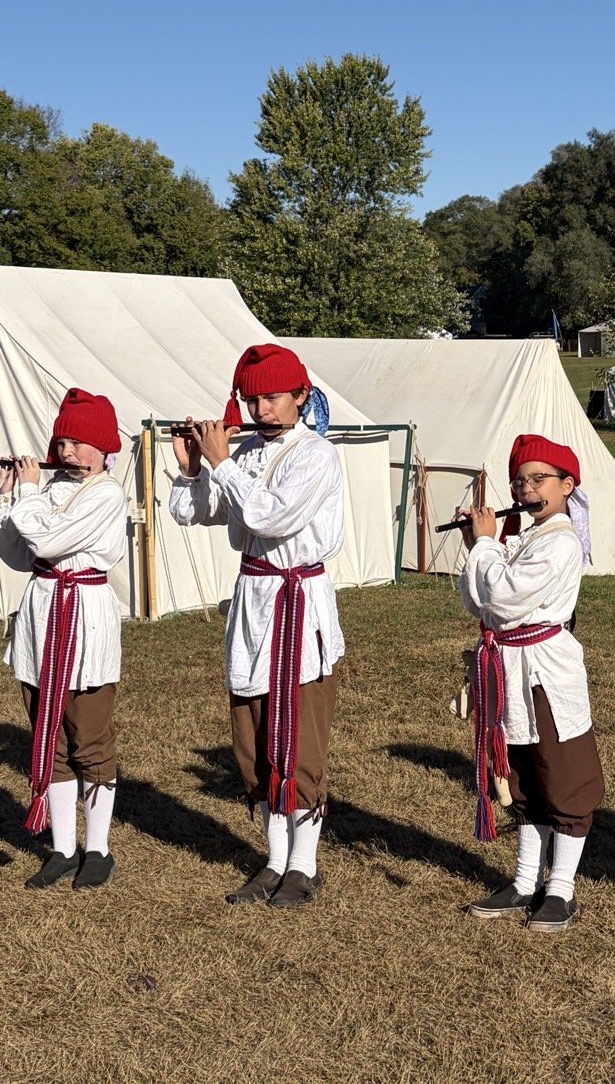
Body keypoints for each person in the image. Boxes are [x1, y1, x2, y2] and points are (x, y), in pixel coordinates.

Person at [169, 344, 344, 909]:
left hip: (297, 602)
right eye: (252, 400)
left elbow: (271, 515)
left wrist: (221, 464)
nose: (261, 410)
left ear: (301, 396)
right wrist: (193, 468)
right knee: (254, 740)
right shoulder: (243, 452)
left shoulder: (316, 455)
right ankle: (273, 860)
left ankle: (304, 865)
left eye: (271, 398)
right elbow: (193, 512)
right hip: (253, 604)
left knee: (299, 739)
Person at [457, 433, 605, 933]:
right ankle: (524, 881)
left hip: (545, 670)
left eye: (539, 479)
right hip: (508, 668)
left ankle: (560, 888)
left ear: (567, 485)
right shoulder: (523, 541)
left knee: (562, 774)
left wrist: (484, 545)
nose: (526, 489)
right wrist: (479, 547)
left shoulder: (561, 541)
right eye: (520, 481)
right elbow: (478, 603)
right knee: (521, 773)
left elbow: (503, 597)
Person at [0, 388, 127, 890]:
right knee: (48, 738)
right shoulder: (48, 491)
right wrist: (9, 497)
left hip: (84, 619)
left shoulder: (107, 494)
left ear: (103, 446)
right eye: (62, 443)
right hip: (42, 616)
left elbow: (49, 539)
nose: (68, 452)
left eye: (78, 443)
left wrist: (29, 494)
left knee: (89, 739)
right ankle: (62, 848)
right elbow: (18, 554)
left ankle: (98, 849)